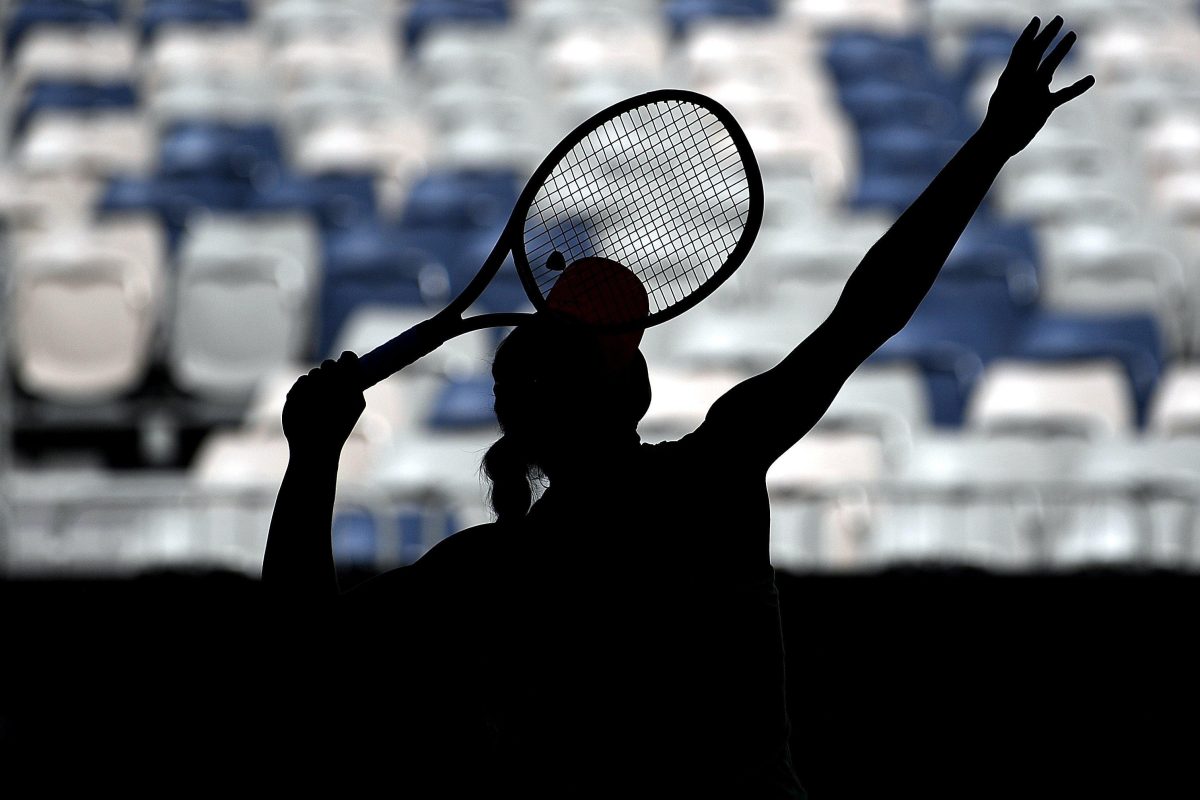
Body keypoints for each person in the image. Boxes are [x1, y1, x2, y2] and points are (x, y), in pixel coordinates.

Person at [263, 16, 1093, 798]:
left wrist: (314, 457)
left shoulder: (488, 570)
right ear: (636, 390)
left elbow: (300, 659)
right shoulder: (713, 477)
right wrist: (988, 147)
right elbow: (866, 315)